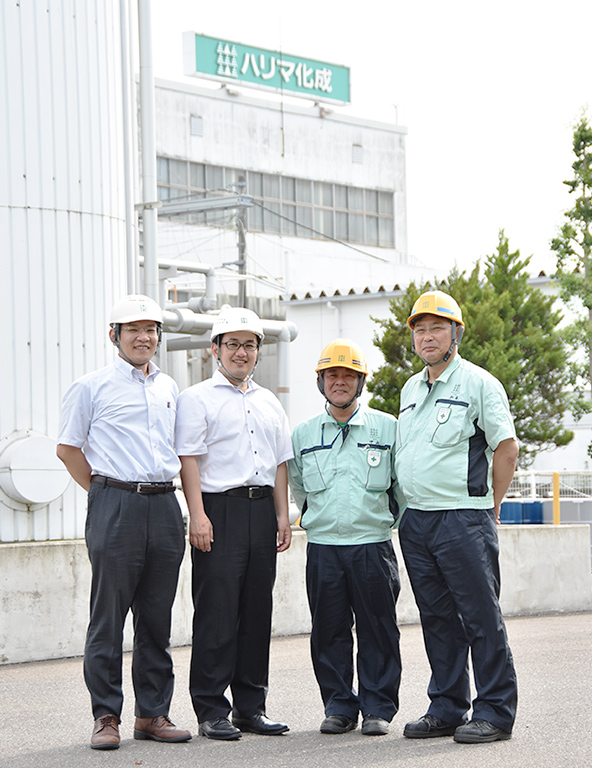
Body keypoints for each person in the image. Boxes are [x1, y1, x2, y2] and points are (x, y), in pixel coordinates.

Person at [56, 294, 191, 750]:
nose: (144, 337)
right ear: (114, 334)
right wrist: (100, 491)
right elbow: (68, 448)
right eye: (133, 329)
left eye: (151, 329)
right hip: (115, 503)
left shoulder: (169, 387)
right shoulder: (90, 386)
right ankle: (106, 716)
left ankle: (152, 714)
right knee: (108, 617)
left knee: (156, 618)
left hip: (165, 505)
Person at [396, 290, 519, 744]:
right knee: (436, 618)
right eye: (420, 330)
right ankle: (447, 705)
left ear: (456, 334)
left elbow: (506, 448)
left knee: (480, 617)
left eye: (437, 328)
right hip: (418, 522)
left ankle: (495, 711)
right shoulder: (411, 388)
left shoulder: (480, 384)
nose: (427, 337)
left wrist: (492, 504)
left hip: (463, 520)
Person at [176, 306, 292, 741]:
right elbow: (188, 459)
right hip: (217, 510)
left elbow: (280, 463)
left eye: (249, 345)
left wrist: (282, 515)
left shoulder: (268, 401)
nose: (241, 352)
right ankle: (210, 708)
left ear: (258, 352)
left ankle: (250, 707)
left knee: (256, 612)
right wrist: (198, 515)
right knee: (217, 612)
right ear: (214, 350)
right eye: (232, 344)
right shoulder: (197, 397)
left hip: (262, 510)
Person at [288, 339, 401, 737]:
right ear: (321, 381)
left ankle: (377, 707)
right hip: (324, 549)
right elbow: (298, 488)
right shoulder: (302, 434)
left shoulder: (388, 428)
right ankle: (338, 705)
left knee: (378, 628)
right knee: (329, 629)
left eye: (348, 375)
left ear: (361, 382)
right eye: (332, 375)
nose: (340, 382)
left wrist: (381, 521)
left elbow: (399, 486)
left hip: (372, 544)